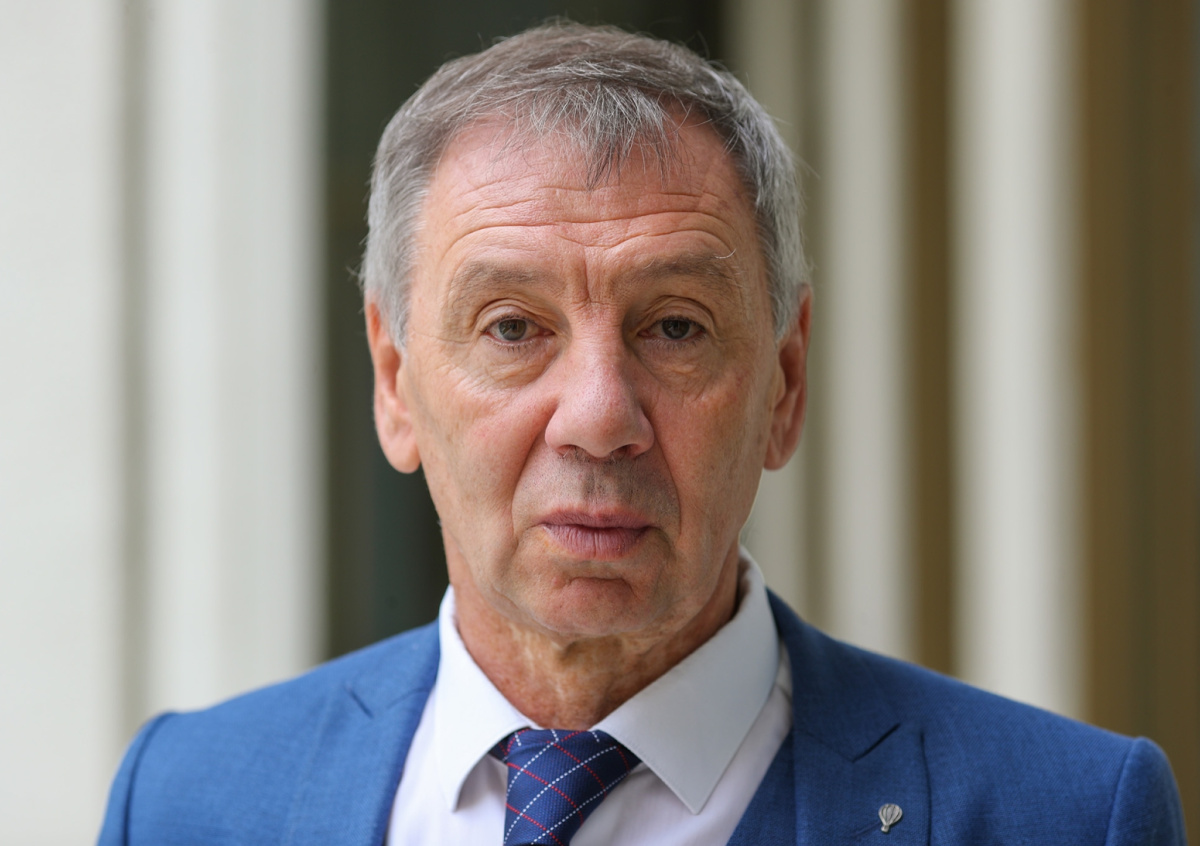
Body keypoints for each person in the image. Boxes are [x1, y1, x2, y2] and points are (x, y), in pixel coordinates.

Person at [98, 21, 1185, 846]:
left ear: (785, 382)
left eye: (674, 327)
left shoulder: (1069, 815)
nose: (599, 416)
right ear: (395, 382)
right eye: (513, 327)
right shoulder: (189, 802)